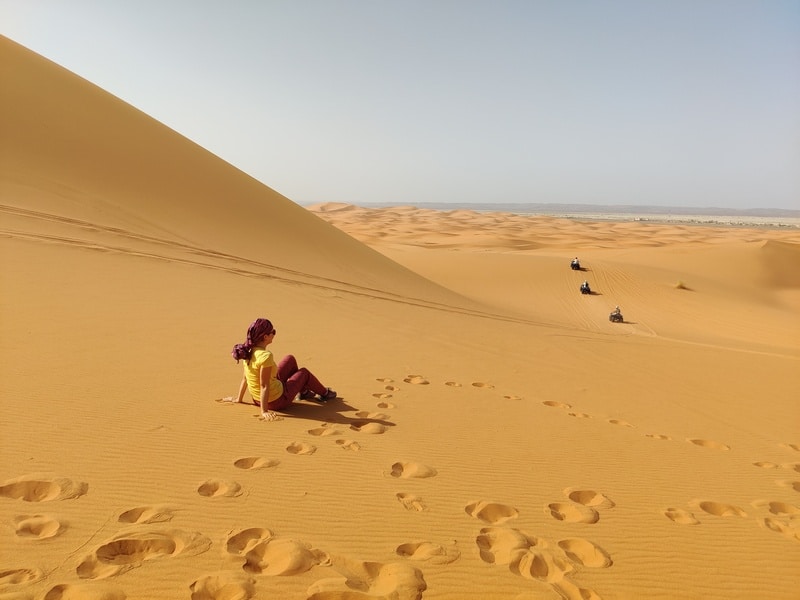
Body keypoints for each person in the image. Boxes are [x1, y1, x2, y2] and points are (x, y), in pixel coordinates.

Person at [225, 318, 336, 421]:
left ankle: (304, 392)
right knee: (304, 373)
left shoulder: (247, 352)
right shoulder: (265, 356)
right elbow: (264, 385)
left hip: (258, 398)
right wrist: (264, 411)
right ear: (265, 337)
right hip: (276, 400)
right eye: (272, 332)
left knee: (289, 359)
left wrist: (239, 399)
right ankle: (325, 393)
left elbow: (245, 378)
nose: (274, 334)